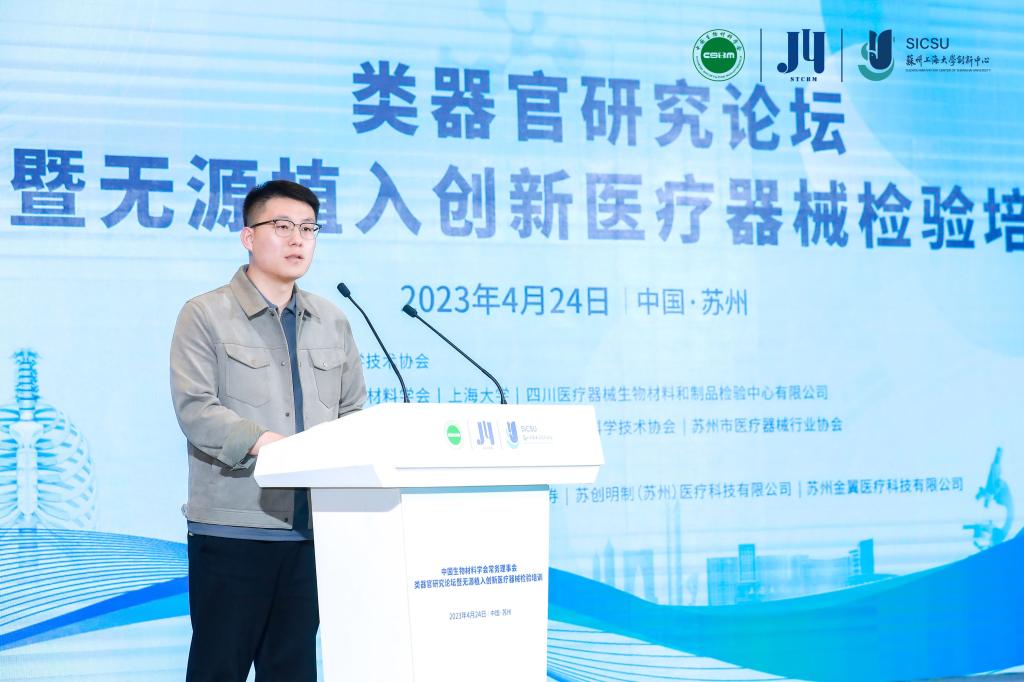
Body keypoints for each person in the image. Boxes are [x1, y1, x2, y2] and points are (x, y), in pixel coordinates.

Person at [170, 180, 366, 681]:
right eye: (282, 226)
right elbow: (196, 408)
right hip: (234, 528)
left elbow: (352, 413)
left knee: (293, 670)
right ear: (248, 236)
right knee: (219, 669)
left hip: (313, 531)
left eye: (308, 229)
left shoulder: (333, 320)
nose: (297, 239)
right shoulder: (205, 315)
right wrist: (270, 446)